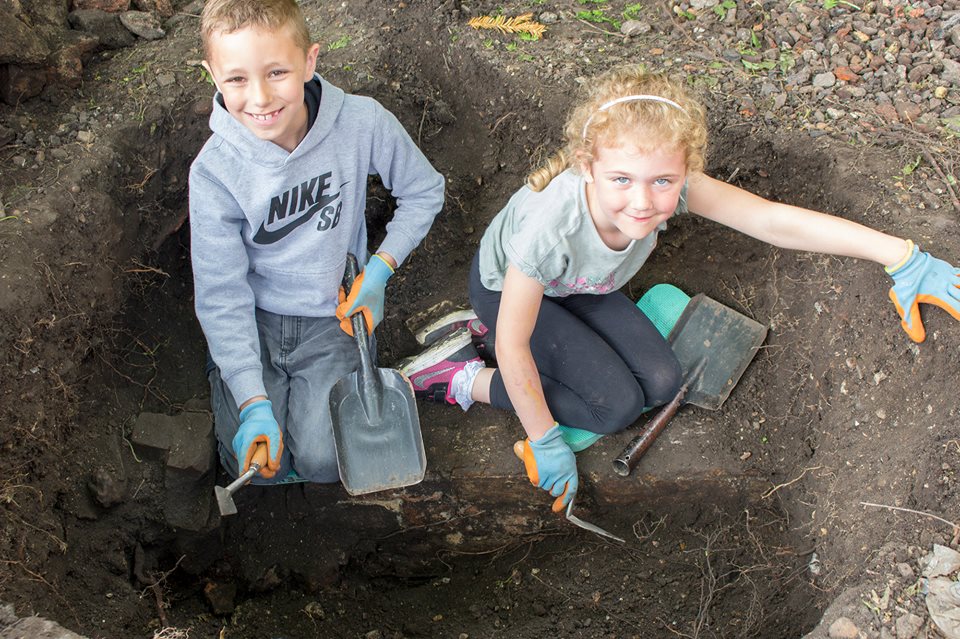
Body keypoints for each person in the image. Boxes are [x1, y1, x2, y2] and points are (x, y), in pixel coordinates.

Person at [400, 64, 960, 511]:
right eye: (622, 179)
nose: (643, 201)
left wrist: (902, 257)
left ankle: (491, 343)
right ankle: (460, 375)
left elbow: (769, 220)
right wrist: (544, 438)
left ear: (683, 170)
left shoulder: (667, 181)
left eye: (663, 182)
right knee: (613, 408)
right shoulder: (550, 229)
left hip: (579, 285)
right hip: (510, 296)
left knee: (664, 381)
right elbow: (516, 344)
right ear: (587, 166)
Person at [189, 0, 444, 484]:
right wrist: (252, 400)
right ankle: (232, 373)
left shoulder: (360, 123)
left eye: (277, 72)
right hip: (255, 320)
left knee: (327, 463)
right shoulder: (214, 171)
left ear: (309, 60)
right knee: (255, 463)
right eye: (237, 79)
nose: (261, 98)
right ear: (212, 75)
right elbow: (222, 293)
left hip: (333, 317)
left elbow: (424, 190)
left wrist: (380, 270)